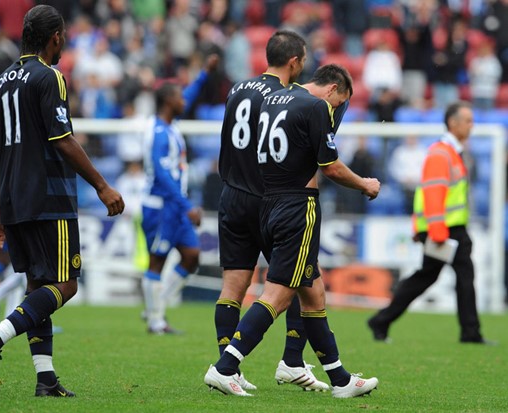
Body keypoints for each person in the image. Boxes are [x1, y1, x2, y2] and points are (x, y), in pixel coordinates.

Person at [0, 5, 124, 397]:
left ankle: (45, 379)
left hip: (15, 200)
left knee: (39, 286)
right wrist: (102, 186)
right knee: (65, 285)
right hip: (49, 198)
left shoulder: (1, 81)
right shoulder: (49, 76)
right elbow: (63, 139)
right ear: (56, 37)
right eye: (64, 34)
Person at [204, 64, 381, 398]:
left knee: (312, 288)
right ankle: (225, 367)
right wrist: (365, 184)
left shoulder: (274, 99)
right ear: (331, 89)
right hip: (298, 206)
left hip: (267, 203)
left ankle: (338, 379)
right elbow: (330, 166)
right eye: (338, 103)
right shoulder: (315, 107)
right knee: (279, 294)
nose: (336, 111)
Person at [215, 29, 329, 392]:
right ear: (294, 62)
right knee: (294, 280)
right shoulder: (289, 95)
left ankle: (228, 367)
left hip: (230, 195)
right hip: (267, 199)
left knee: (232, 287)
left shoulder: (237, 88)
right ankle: (291, 361)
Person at [368, 101, 493, 345]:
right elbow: (433, 195)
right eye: (467, 120)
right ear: (453, 123)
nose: (471, 125)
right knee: (458, 276)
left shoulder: (448, 152)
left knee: (427, 276)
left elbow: (426, 194)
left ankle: (382, 320)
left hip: (447, 228)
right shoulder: (442, 153)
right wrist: (436, 232)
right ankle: (470, 332)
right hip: (446, 230)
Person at [141, 55, 218, 335]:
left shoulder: (170, 124)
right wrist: (187, 205)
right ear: (168, 102)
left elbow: (190, 93)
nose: (185, 101)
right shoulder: (158, 132)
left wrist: (204, 74)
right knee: (157, 261)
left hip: (176, 206)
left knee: (192, 255)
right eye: (179, 98)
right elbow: (161, 176)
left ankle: (155, 306)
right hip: (161, 206)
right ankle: (155, 320)